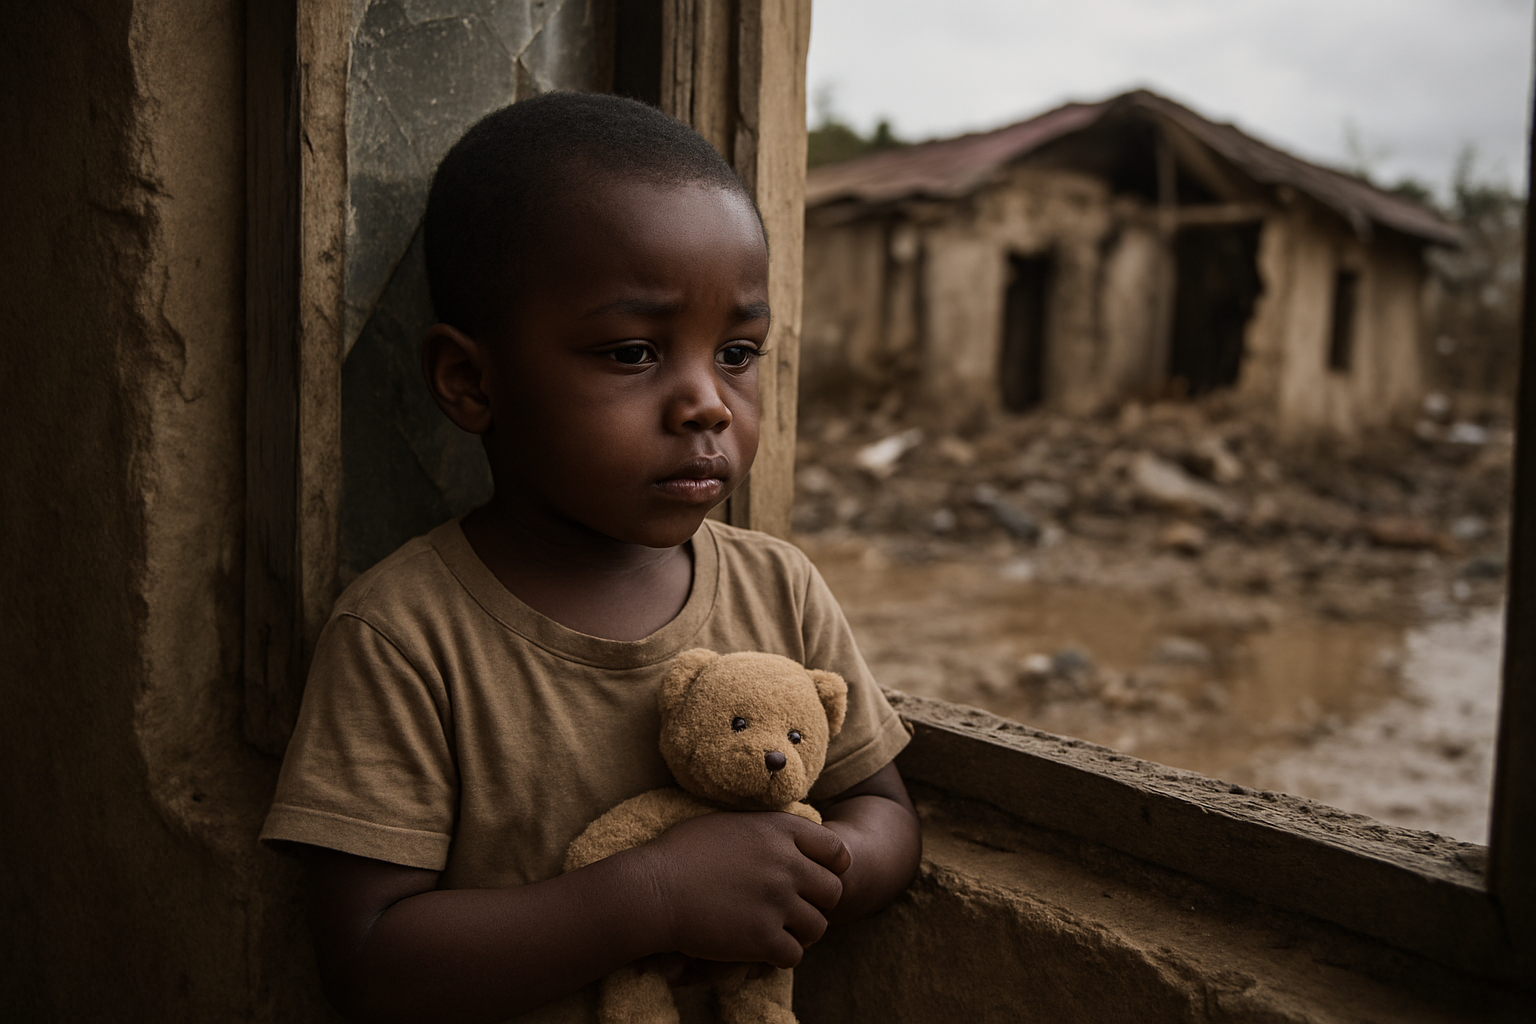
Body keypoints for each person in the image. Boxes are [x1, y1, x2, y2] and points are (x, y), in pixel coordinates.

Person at [260, 91, 920, 1024]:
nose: (708, 405)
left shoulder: (781, 587)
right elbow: (370, 964)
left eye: (737, 351)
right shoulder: (405, 634)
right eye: (632, 352)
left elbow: (887, 816)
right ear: (471, 382)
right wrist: (652, 900)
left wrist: (791, 883)